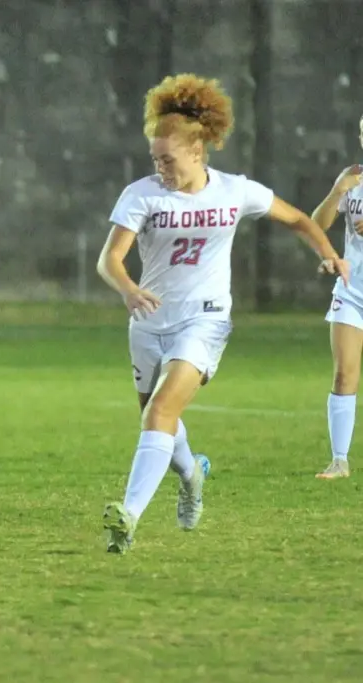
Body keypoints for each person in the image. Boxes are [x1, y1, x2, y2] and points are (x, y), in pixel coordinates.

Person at [96, 73, 349, 554]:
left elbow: (297, 218)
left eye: (167, 159)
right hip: (148, 322)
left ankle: (128, 516)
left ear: (197, 151)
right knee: (158, 420)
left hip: (205, 319)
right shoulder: (142, 194)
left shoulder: (234, 190)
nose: (160, 168)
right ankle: (192, 475)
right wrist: (128, 289)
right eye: (155, 159)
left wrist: (329, 253)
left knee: (161, 411)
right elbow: (109, 259)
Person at [312, 116, 363, 479]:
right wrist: (337, 191)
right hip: (352, 291)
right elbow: (317, 224)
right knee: (344, 373)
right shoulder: (354, 177)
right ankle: (339, 460)